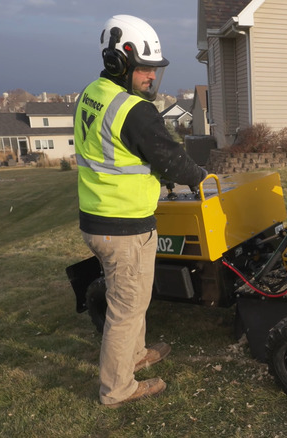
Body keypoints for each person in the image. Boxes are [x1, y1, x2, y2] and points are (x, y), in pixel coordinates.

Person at [73, 14, 207, 408]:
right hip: (123, 225)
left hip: (100, 217)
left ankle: (135, 355)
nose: (152, 77)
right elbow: (173, 162)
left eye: (155, 70)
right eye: (145, 68)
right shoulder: (134, 110)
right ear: (120, 64)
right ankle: (117, 388)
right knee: (126, 308)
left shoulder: (90, 94)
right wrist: (200, 175)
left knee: (131, 298)